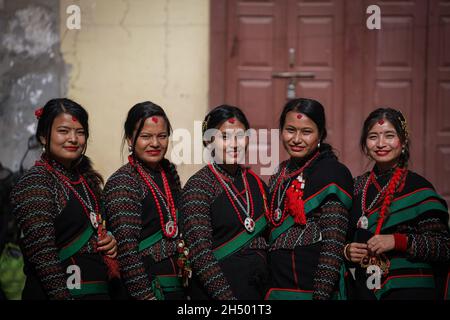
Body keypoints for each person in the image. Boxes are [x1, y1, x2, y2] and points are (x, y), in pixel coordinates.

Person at [10, 98, 119, 300]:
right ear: (44, 136)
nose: (73, 139)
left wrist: (110, 239)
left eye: (80, 132)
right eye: (63, 131)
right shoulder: (36, 182)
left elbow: (93, 224)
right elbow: (43, 256)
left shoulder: (86, 180)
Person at [344, 107, 450, 300]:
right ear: (365, 144)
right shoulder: (355, 187)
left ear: (403, 142)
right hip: (364, 288)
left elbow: (443, 247)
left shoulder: (419, 188)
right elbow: (340, 235)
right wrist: (347, 250)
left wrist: (397, 241)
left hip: (410, 291)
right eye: (373, 137)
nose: (381, 143)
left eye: (389, 135)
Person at [265, 98, 353, 300]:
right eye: (290, 130)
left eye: (306, 132)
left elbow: (333, 244)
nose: (296, 139)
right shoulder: (281, 173)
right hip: (277, 290)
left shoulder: (332, 173)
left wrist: (321, 296)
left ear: (321, 134)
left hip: (311, 291)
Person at [181, 105, 270, 300]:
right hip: (218, 295)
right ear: (209, 141)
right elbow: (200, 254)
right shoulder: (198, 187)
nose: (234, 144)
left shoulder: (257, 184)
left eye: (240, 135)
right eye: (225, 137)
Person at [103, 101, 188, 300]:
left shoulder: (169, 175)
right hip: (145, 290)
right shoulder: (124, 182)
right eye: (145, 136)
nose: (155, 143)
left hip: (176, 289)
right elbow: (127, 250)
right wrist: (145, 296)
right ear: (130, 140)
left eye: (162, 136)